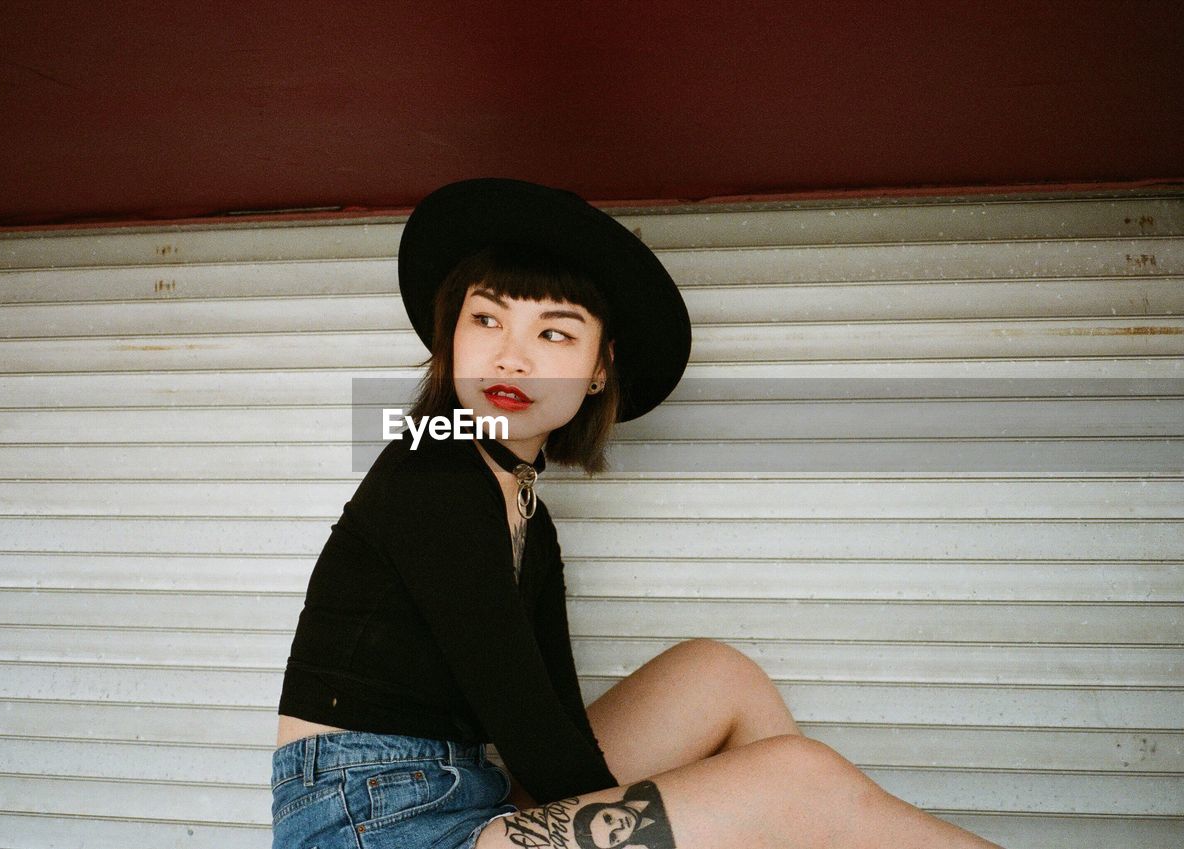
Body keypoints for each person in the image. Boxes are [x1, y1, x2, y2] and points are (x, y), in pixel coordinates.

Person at [271, 177, 1004, 849]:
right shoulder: (435, 473)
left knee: (719, 674)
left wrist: (714, 810)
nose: (512, 357)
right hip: (372, 827)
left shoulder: (528, 512)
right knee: (799, 782)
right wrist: (736, 805)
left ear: (599, 367)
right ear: (450, 336)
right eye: (486, 320)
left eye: (553, 332)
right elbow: (538, 744)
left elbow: (555, 730)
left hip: (473, 798)